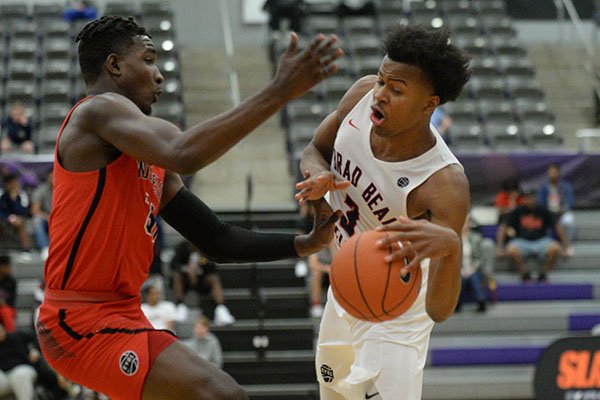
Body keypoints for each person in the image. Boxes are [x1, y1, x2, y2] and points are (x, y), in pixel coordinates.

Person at [35, 15, 342, 400]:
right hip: (76, 321)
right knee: (222, 395)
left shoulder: (146, 155)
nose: (159, 75)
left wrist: (304, 243)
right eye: (147, 60)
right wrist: (278, 92)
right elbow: (185, 152)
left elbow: (217, 239)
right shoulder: (96, 112)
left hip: (121, 314)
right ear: (114, 65)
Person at [295, 25, 471, 399]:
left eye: (396, 90)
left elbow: (439, 309)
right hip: (346, 285)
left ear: (429, 105)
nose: (380, 95)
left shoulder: (443, 182)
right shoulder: (360, 96)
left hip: (396, 315)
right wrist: (319, 175)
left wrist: (452, 248)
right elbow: (313, 149)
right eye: (381, 81)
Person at [496, 187, 571, 284]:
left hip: (541, 241)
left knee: (555, 247)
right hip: (522, 241)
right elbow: (503, 227)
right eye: (526, 198)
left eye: (531, 197)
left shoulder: (543, 210)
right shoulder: (518, 211)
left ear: (535, 198)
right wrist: (500, 248)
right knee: (511, 249)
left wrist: (565, 246)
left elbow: (557, 227)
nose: (529, 200)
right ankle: (524, 274)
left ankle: (544, 274)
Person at [170, 241, 235, 326]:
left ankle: (221, 308)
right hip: (186, 281)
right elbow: (173, 264)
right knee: (177, 276)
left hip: (201, 280)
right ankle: (180, 306)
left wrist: (199, 269)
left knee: (214, 278)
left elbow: (212, 268)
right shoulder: (182, 247)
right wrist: (187, 270)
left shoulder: (206, 248)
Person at [455, 219, 491, 313]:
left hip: (474, 268)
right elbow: (452, 259)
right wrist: (461, 269)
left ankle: (481, 301)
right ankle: (457, 303)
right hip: (459, 269)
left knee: (474, 276)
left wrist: (472, 268)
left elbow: (480, 258)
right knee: (461, 278)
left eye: (465, 224)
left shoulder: (476, 238)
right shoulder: (454, 238)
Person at [537, 163, 576, 241]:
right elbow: (540, 203)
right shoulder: (543, 187)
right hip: (548, 212)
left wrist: (561, 211)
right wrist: (548, 212)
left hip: (562, 212)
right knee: (542, 221)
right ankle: (548, 242)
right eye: (551, 173)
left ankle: (568, 242)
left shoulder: (566, 186)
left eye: (554, 173)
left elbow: (570, 202)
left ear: (558, 173)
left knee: (570, 220)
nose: (553, 175)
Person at [0, 323, 38, 400]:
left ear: (3, 330)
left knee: (20, 375)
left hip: (23, 368)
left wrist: (34, 350)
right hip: (4, 376)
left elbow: (37, 336)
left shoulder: (17, 336)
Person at [0, 174, 33, 258]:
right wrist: (8, 217)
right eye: (13, 183)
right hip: (4, 219)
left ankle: (26, 250)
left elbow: (24, 211)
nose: (16, 184)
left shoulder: (22, 195)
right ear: (7, 184)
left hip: (19, 220)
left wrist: (14, 199)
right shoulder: (1, 194)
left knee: (19, 223)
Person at [31, 168, 54, 262]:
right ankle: (45, 248)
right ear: (47, 177)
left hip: (61, 217)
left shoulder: (64, 189)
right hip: (46, 218)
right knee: (37, 219)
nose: (54, 178)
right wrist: (48, 217)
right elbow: (35, 210)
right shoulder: (41, 190)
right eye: (52, 175)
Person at [0, 256, 17, 333]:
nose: (10, 269)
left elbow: (12, 301)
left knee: (6, 311)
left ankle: (11, 336)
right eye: (7, 266)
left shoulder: (12, 281)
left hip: (7, 308)